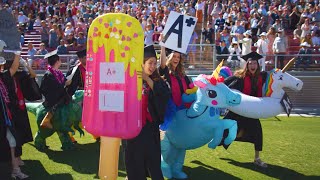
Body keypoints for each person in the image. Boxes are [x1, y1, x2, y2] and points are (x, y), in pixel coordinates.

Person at [124, 45, 170, 180]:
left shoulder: (157, 81)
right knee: (134, 160)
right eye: (150, 63)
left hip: (150, 128)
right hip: (132, 128)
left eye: (154, 63)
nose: (153, 66)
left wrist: (147, 78)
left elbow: (164, 95)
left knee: (153, 160)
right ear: (142, 63)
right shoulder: (131, 80)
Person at [223, 51, 268, 168]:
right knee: (223, 132)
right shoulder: (239, 78)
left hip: (251, 112)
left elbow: (273, 76)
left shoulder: (261, 78)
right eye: (250, 63)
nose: (252, 66)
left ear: (257, 65)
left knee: (258, 132)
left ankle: (257, 158)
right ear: (247, 65)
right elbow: (225, 84)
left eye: (254, 63)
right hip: (237, 111)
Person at [0, 51, 29, 179]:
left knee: (12, 140)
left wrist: (17, 53)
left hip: (5, 118)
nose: (2, 67)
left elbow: (13, 68)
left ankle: (15, 169)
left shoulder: (3, 78)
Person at [39, 50, 72, 128]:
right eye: (60, 60)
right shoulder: (49, 74)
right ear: (57, 61)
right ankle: (46, 120)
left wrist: (67, 81)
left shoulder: (58, 72)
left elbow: (62, 82)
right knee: (60, 101)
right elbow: (54, 87)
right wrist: (65, 83)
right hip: (52, 97)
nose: (61, 61)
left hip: (58, 94)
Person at [159, 37, 192, 109]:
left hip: (184, 109)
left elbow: (190, 88)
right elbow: (162, 64)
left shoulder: (182, 75)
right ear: (170, 58)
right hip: (171, 109)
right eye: (174, 56)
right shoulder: (166, 72)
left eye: (178, 57)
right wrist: (163, 46)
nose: (176, 59)